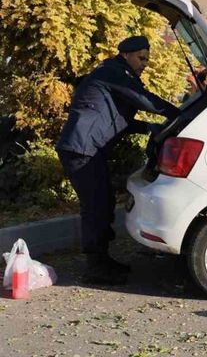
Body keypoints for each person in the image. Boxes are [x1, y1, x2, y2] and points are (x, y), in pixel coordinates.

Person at [55, 36, 180, 284]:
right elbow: (145, 100)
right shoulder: (114, 72)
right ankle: (95, 267)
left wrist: (150, 128)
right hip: (82, 149)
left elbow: (117, 119)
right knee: (96, 206)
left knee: (103, 201)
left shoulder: (116, 74)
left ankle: (102, 259)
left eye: (147, 58)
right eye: (141, 58)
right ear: (126, 54)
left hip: (88, 148)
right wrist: (181, 114)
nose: (145, 63)